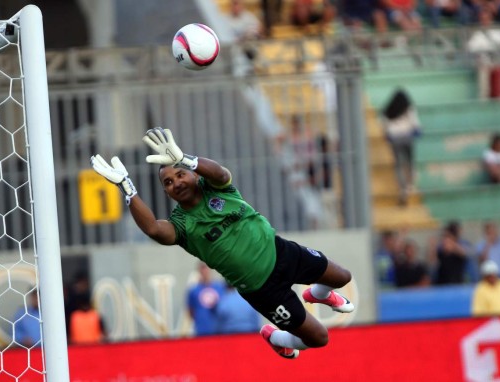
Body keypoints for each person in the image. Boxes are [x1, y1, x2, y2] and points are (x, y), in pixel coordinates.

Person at [91, 127, 354, 359]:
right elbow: (152, 228)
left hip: (283, 252)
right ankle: (277, 339)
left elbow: (220, 172)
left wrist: (184, 159)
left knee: (342, 276)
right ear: (166, 192)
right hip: (263, 290)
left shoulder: (216, 187)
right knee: (319, 338)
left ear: (193, 175)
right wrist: (127, 188)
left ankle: (317, 294)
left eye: (180, 174)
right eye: (168, 183)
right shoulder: (182, 225)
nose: (176, 183)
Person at [381, 89, 421, 206]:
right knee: (409, 162)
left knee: (398, 164)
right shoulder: (408, 108)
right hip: (408, 138)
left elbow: (385, 126)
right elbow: (415, 123)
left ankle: (402, 188)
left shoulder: (387, 110)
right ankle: (410, 184)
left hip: (395, 139)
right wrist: (417, 131)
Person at [186, 262, 225, 336]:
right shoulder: (193, 290)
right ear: (199, 271)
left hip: (219, 330)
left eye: (206, 268)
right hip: (201, 331)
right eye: (202, 268)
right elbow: (190, 311)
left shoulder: (220, 287)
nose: (204, 271)